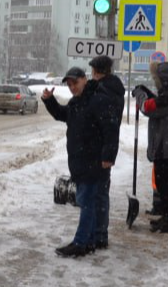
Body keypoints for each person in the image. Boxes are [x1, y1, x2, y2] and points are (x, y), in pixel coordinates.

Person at [42, 66, 118, 257]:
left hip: (93, 159)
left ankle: (81, 242)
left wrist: (108, 156)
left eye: (75, 83)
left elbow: (111, 129)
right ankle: (91, 241)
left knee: (87, 202)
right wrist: (49, 100)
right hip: (80, 160)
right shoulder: (77, 102)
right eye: (69, 84)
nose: (72, 87)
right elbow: (62, 114)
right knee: (89, 201)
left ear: (85, 79)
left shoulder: (98, 100)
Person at [132, 62, 168, 233]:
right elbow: (157, 102)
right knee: (163, 182)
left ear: (163, 78)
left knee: (164, 183)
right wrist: (147, 92)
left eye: (155, 78)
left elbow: (149, 108)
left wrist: (141, 96)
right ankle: (167, 216)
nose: (155, 81)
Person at [88, 54, 124, 249]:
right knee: (100, 193)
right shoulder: (111, 88)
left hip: (101, 151)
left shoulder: (106, 92)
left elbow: (110, 127)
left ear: (96, 72)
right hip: (101, 149)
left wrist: (108, 155)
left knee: (99, 194)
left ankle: (100, 236)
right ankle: (99, 233)